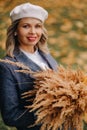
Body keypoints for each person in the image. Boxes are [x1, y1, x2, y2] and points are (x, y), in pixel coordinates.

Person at [0, 2, 58, 130]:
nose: (33, 32)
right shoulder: (7, 66)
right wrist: (47, 113)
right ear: (15, 31)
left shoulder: (47, 56)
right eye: (26, 26)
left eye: (38, 26)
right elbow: (10, 115)